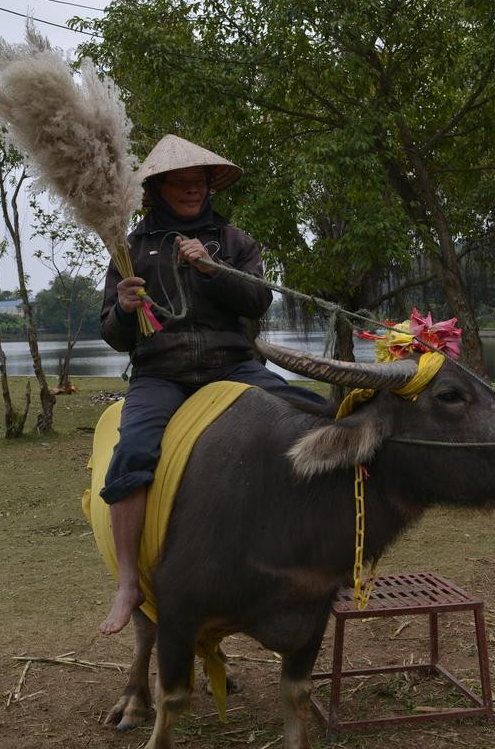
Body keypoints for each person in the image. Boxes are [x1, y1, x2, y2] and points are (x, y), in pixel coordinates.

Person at [98, 134, 323, 634]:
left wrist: (213, 268)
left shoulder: (235, 242)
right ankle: (128, 583)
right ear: (157, 189)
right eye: (179, 183)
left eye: (198, 182)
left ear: (209, 185)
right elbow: (112, 335)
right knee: (132, 451)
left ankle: (315, 555)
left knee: (314, 414)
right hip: (160, 373)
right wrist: (124, 310)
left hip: (232, 363)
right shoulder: (130, 248)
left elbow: (259, 302)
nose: (191, 190)